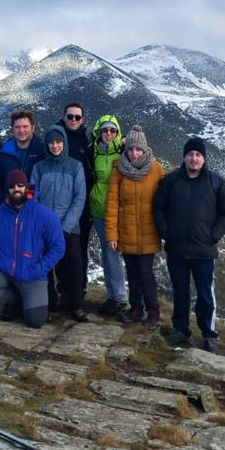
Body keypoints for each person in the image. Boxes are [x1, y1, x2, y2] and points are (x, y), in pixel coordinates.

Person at [153, 137, 225, 354]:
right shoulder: (171, 181)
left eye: (198, 155)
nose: (194, 158)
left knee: (205, 295)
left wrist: (214, 235)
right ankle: (181, 330)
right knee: (180, 293)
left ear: (203, 158)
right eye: (190, 154)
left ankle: (209, 335)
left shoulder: (215, 182)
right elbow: (158, 208)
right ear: (184, 157)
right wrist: (166, 232)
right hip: (177, 249)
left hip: (203, 251)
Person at [0, 170, 65, 329]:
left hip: (32, 274)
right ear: (8, 189)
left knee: (35, 321)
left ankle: (23, 298)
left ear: (27, 187)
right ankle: (14, 297)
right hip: (2, 270)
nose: (16, 189)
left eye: (20, 185)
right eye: (12, 186)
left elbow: (58, 248)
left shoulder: (46, 215)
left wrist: (38, 269)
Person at [105, 125, 166, 330]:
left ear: (145, 149)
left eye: (138, 149)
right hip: (127, 231)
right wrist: (111, 233)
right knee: (132, 272)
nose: (134, 153)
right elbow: (112, 203)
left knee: (145, 273)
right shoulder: (118, 168)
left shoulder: (156, 168)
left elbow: (167, 192)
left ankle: (154, 311)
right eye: (130, 149)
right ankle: (136, 308)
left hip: (149, 231)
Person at [30, 124, 88, 321]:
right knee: (46, 265)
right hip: (44, 226)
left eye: (58, 142)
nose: (55, 146)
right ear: (46, 144)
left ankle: (76, 305)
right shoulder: (39, 168)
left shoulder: (75, 166)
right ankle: (50, 303)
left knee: (74, 263)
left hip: (69, 227)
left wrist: (65, 227)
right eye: (51, 142)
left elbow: (79, 198)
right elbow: (32, 197)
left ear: (64, 143)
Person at [89, 114, 127, 315]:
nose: (109, 134)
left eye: (113, 130)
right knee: (106, 253)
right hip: (96, 209)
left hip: (116, 211)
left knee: (113, 254)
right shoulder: (93, 151)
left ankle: (120, 297)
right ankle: (112, 296)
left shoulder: (123, 152)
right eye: (105, 130)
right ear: (98, 132)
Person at [57, 102, 95, 275]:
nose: (73, 119)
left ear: (83, 119)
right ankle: (63, 287)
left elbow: (109, 142)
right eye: (70, 116)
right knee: (59, 245)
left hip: (83, 203)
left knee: (80, 246)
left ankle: (80, 287)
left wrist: (124, 139)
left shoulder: (88, 139)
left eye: (77, 117)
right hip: (58, 203)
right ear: (64, 117)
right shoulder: (55, 137)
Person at [0, 109, 47, 211]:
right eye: (17, 127)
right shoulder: (3, 152)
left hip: (35, 207)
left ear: (32, 128)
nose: (21, 131)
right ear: (12, 129)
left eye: (25, 126)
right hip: (9, 207)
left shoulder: (42, 151)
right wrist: (4, 201)